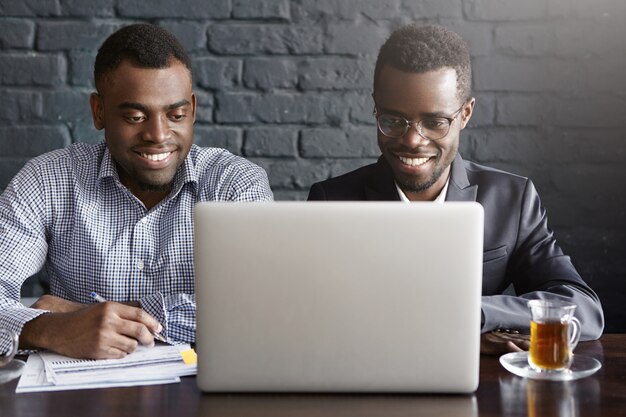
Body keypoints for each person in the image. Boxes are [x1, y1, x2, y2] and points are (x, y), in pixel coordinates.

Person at [307, 24, 604, 354]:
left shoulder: (511, 200)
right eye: (392, 120)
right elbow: (311, 318)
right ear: (376, 108)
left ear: (465, 113)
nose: (412, 140)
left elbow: (584, 311)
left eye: (434, 122)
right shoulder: (330, 200)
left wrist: (474, 316)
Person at [0, 24, 273, 359]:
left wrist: (82, 314)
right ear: (99, 112)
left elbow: (258, 308)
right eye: (135, 116)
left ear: (193, 110)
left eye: (176, 115)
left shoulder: (236, 185)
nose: (158, 135)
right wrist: (49, 328)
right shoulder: (47, 180)